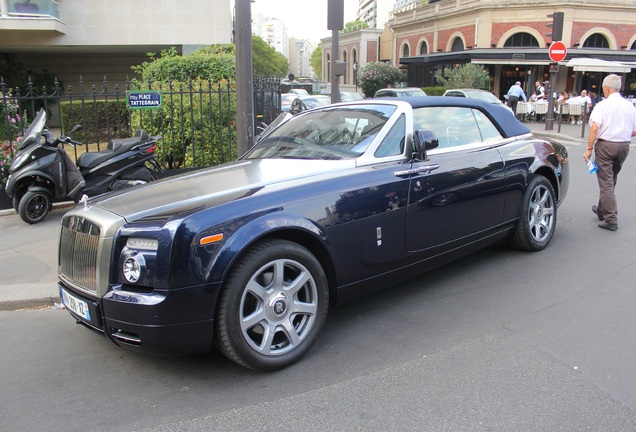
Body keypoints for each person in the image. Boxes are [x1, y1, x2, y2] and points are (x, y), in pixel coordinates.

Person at [584, 74, 636, 231]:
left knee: (606, 182)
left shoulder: (602, 106)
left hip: (606, 145)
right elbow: (634, 130)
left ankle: (610, 218)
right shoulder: (630, 106)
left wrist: (589, 148)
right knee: (611, 178)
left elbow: (594, 128)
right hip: (624, 145)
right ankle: (602, 209)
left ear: (606, 89)